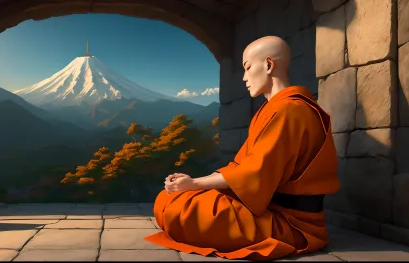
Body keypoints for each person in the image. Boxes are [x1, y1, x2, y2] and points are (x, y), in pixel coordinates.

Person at [144, 36, 340, 261]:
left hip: (288, 222)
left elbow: (253, 174)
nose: (245, 78)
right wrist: (190, 183)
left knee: (178, 210)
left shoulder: (290, 111)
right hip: (262, 206)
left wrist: (195, 184)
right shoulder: (273, 109)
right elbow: (241, 167)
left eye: (247, 68)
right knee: (169, 199)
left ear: (268, 65)